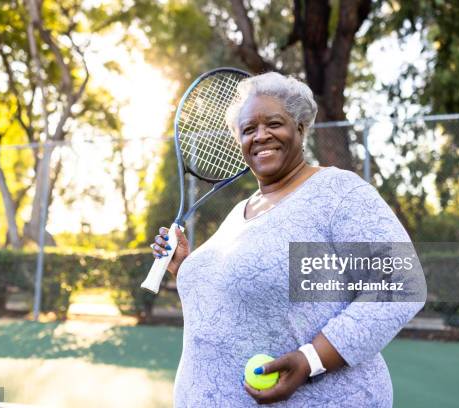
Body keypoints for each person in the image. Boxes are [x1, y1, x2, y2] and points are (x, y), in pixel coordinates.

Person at [151, 72, 426, 407]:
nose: (261, 135)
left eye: (274, 123)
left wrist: (311, 360)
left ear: (300, 127)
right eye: (249, 129)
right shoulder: (241, 211)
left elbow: (399, 281)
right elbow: (238, 299)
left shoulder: (336, 193)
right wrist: (185, 268)